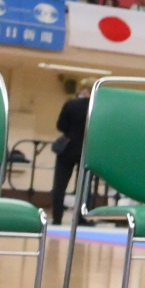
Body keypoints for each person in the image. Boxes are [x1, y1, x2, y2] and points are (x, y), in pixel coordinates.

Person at [50, 91, 90, 225]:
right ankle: (81, 218)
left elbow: (60, 125)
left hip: (67, 148)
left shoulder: (71, 104)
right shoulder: (96, 108)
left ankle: (57, 218)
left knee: (59, 185)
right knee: (83, 186)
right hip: (86, 149)